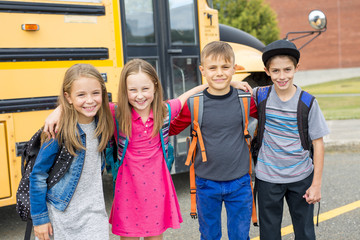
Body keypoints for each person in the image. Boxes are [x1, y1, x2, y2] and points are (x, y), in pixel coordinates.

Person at [43, 58, 251, 240]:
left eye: (145, 89)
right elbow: (87, 100)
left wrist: (230, 83)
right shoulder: (116, 113)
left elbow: (190, 93)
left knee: (155, 235)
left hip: (157, 188)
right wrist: (59, 110)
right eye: (133, 90)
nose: (140, 96)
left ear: (155, 88)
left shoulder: (165, 112)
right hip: (127, 189)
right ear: (124, 91)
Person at [169, 41, 258, 240]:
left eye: (225, 67)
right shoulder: (194, 104)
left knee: (240, 236)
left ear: (234, 69)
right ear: (202, 70)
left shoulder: (245, 100)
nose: (219, 73)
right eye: (212, 68)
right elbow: (170, 128)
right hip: (205, 183)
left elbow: (270, 118)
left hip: (240, 183)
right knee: (209, 236)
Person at [254, 39, 330, 240]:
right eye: (276, 71)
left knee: (305, 232)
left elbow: (318, 144)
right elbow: (232, 92)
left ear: (297, 68)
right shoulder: (259, 96)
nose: (282, 76)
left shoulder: (307, 102)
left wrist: (316, 185)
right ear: (267, 71)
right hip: (267, 177)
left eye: (287, 70)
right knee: (269, 234)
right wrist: (236, 82)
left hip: (301, 176)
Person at [29, 64, 114, 240]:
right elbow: (38, 176)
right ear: (68, 97)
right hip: (61, 217)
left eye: (95, 93)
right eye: (81, 95)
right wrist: (39, 220)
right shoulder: (58, 131)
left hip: (94, 214)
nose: (90, 100)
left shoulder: (103, 123)